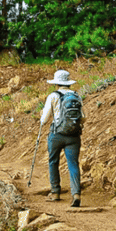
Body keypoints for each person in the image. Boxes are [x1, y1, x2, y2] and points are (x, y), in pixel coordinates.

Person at [40, 68, 84, 206]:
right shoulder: (76, 95)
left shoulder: (53, 96)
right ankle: (76, 194)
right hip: (73, 136)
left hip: (57, 135)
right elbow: (83, 117)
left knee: (53, 161)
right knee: (73, 164)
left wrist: (42, 122)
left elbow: (45, 118)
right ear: (69, 83)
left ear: (56, 83)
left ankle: (55, 192)